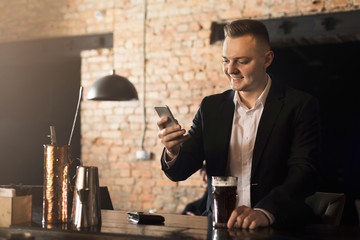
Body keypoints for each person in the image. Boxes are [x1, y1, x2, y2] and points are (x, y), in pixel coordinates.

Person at [157, 19, 321, 229]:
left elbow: (305, 172)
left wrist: (265, 212)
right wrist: (173, 152)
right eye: (226, 60)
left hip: (277, 225)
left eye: (242, 61)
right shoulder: (211, 107)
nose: (231, 70)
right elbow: (181, 170)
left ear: (267, 59)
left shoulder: (300, 105)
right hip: (218, 226)